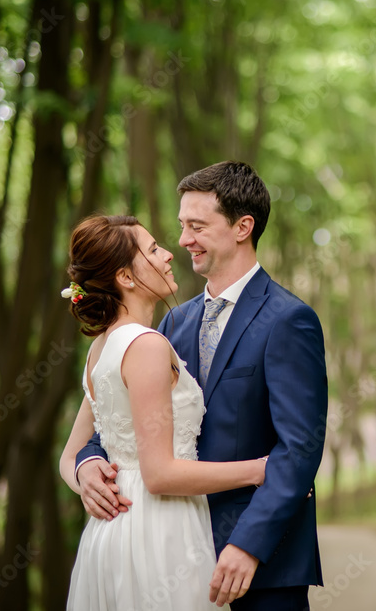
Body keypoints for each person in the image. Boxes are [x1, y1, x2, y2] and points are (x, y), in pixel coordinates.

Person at [74, 161, 328, 609]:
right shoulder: (172, 322)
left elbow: (299, 448)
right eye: (180, 226)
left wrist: (248, 544)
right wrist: (88, 463)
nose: (183, 240)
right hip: (170, 550)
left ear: (242, 227)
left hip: (262, 564)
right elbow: (123, 422)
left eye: (197, 225)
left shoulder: (289, 320)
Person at [58, 214, 270, 610]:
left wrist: (85, 476)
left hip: (111, 533)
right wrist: (259, 469)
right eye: (153, 249)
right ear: (125, 276)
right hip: (160, 530)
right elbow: (160, 475)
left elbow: (69, 457)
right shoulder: (147, 345)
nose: (169, 253)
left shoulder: (100, 348)